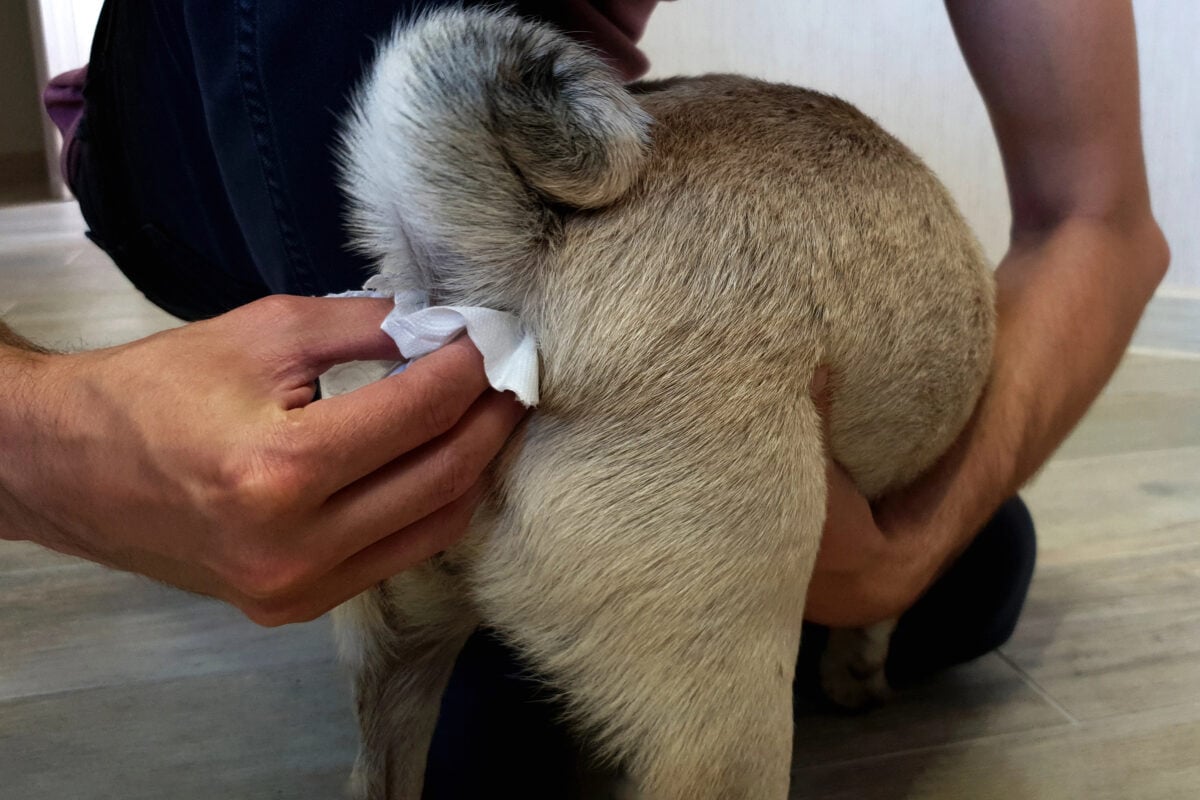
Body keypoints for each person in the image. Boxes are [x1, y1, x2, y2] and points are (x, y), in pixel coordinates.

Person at [0, 0, 1169, 795]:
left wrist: (910, 545)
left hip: (532, 209)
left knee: (982, 569)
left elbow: (1098, 216)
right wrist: (45, 438)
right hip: (215, 154)